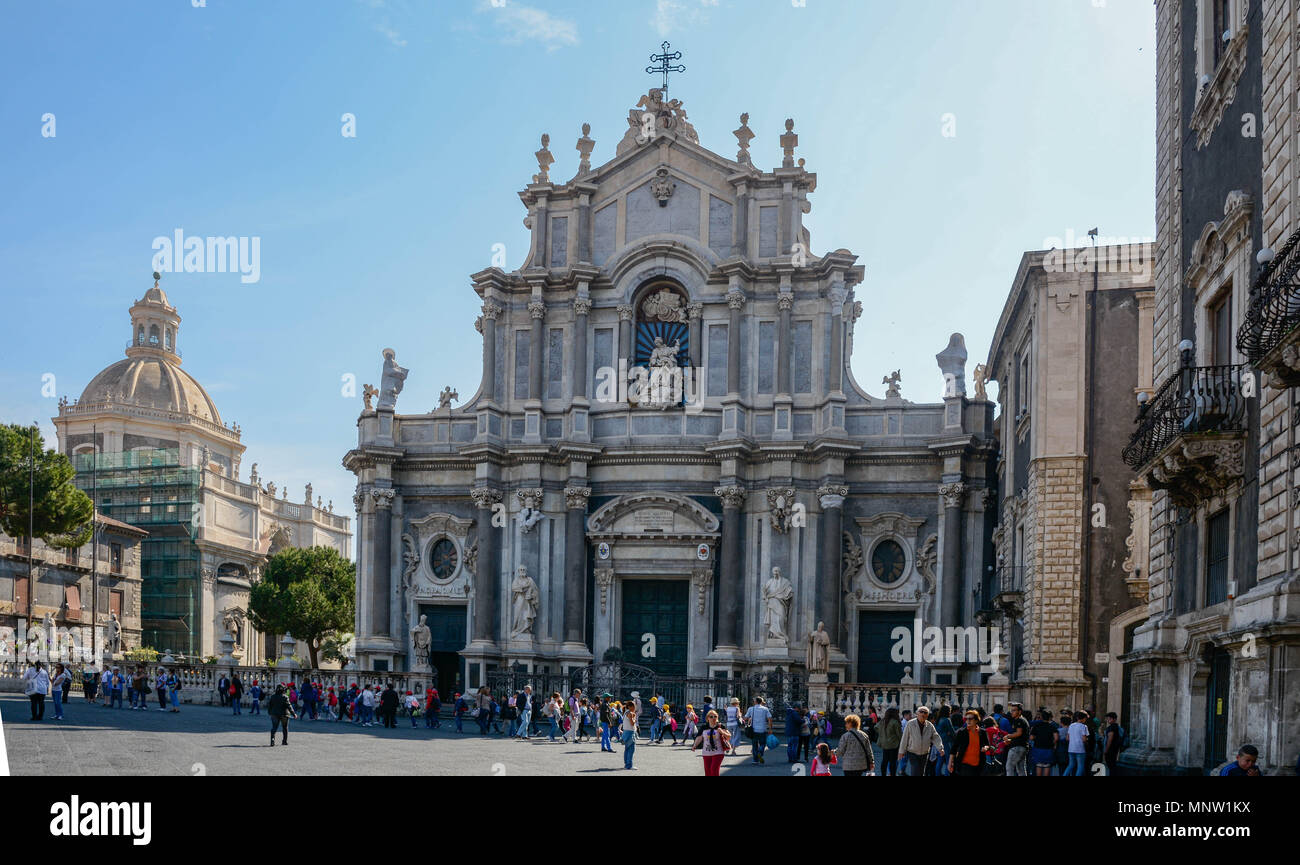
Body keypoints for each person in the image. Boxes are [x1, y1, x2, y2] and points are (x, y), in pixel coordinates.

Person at [899, 705, 943, 776]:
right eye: (921, 712)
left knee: (921, 772)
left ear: (927, 715)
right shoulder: (910, 723)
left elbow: (936, 737)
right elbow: (904, 738)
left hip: (925, 753)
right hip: (913, 752)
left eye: (925, 712)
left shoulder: (930, 725)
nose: (923, 714)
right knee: (915, 770)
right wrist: (901, 751)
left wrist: (940, 748)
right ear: (917, 714)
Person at [948, 710, 992, 776]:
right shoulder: (961, 732)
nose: (968, 721)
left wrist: (986, 748)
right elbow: (954, 748)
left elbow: (987, 745)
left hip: (979, 764)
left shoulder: (982, 732)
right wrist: (950, 763)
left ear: (976, 720)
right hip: (964, 764)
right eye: (966, 719)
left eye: (970, 719)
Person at [692, 709, 731, 776]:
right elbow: (699, 737)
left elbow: (729, 736)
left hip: (718, 752)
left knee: (714, 769)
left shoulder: (720, 726)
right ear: (707, 718)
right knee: (708, 772)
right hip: (706, 753)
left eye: (715, 716)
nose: (713, 718)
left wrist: (722, 732)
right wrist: (695, 745)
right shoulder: (704, 727)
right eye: (711, 717)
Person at [1003, 702, 1030, 776]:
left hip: (1017, 748)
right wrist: (1010, 740)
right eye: (1011, 710)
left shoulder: (1019, 720)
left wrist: (1008, 736)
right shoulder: (1022, 720)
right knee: (1021, 769)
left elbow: (1019, 733)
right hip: (1022, 747)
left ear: (1020, 711)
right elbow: (1019, 735)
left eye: (1014, 710)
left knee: (1009, 767)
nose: (1012, 712)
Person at [744, 697, 773, 764]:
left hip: (754, 730)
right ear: (761, 702)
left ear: (756, 702)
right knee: (763, 743)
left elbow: (745, 718)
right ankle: (760, 752)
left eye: (754, 700)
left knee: (754, 745)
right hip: (762, 729)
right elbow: (770, 719)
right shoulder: (765, 709)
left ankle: (755, 760)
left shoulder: (751, 709)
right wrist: (770, 728)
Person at [1029, 709, 1058, 776]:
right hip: (1048, 749)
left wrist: (1038, 739)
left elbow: (1031, 737)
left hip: (1038, 748)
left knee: (1039, 766)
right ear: (1049, 717)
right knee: (1046, 766)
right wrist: (1052, 742)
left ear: (1041, 717)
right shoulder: (1052, 726)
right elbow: (1056, 738)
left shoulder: (1036, 726)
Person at [878, 707, 902, 776]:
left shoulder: (883, 721)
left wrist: (883, 735)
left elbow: (876, 727)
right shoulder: (895, 722)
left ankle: (883, 774)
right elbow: (899, 734)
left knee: (884, 761)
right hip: (893, 744)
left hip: (884, 744)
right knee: (893, 761)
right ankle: (892, 774)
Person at [1064, 711, 1090, 776]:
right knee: (1080, 766)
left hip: (1071, 748)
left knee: (1071, 765)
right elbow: (1084, 739)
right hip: (1080, 749)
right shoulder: (1084, 726)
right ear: (1084, 718)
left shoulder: (1071, 725)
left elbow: (1067, 738)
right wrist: (1087, 741)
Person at [934, 706, 956, 776]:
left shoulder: (938, 720)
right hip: (947, 743)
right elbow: (952, 732)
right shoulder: (947, 720)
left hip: (939, 743)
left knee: (939, 761)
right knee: (948, 761)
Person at [621, 701, 638, 770]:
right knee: (631, 749)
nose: (635, 707)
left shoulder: (625, 712)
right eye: (634, 706)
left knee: (627, 749)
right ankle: (629, 765)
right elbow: (632, 723)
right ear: (630, 707)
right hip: (630, 732)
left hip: (626, 732)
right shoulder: (630, 713)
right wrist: (634, 719)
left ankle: (626, 764)